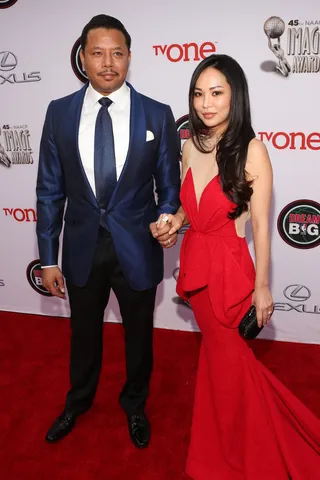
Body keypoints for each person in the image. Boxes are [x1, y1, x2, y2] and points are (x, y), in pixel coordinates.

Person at [154, 54, 320, 479]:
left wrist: (263, 286)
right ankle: (222, 448)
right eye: (198, 93)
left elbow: (263, 225)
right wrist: (174, 221)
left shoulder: (252, 150)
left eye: (216, 92)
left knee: (231, 367)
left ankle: (258, 453)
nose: (206, 103)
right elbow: (193, 210)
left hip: (230, 272)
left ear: (235, 96)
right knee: (220, 365)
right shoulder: (190, 145)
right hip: (197, 267)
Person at [36, 14, 180, 448]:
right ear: (82, 57)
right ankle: (77, 402)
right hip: (81, 248)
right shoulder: (58, 112)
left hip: (137, 247)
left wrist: (168, 215)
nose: (108, 62)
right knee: (83, 335)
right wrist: (47, 257)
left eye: (117, 53)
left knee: (140, 336)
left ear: (129, 57)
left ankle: (135, 404)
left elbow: (169, 186)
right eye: (97, 53)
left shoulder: (157, 113)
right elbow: (48, 189)